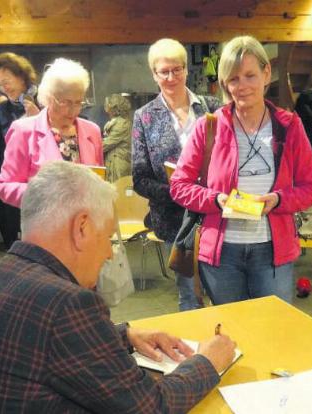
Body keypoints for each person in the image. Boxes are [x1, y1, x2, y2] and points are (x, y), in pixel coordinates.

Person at [0, 161, 236, 413]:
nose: (109, 254)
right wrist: (207, 362)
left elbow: (42, 341)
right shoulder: (67, 304)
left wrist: (125, 335)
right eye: (108, 237)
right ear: (83, 228)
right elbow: (150, 406)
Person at [170, 35, 312, 306]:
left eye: (250, 75)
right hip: (222, 253)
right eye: (233, 79)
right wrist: (214, 199)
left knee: (273, 332)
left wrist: (279, 200)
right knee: (231, 332)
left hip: (272, 251)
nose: (242, 86)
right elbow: (179, 185)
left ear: (266, 73)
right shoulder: (209, 127)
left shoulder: (289, 126)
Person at [132, 38, 221, 311]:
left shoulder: (212, 107)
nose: (171, 77)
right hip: (174, 218)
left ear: (186, 69)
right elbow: (140, 177)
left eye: (177, 69)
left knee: (222, 289)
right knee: (190, 293)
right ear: (154, 74)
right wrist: (178, 192)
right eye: (164, 71)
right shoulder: (144, 116)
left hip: (216, 213)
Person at [0, 58, 103, 208]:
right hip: (44, 225)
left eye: (78, 102)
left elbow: (99, 180)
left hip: (85, 226)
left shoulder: (92, 131)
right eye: (65, 102)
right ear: (48, 97)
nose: (73, 110)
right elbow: (5, 187)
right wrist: (44, 195)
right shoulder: (24, 131)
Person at [0, 52, 40, 247]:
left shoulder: (44, 100)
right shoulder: (2, 110)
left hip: (43, 178)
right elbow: (1, 149)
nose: (4, 88)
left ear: (22, 76)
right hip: (17, 182)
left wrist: (39, 117)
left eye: (7, 81)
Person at [103, 93, 133, 182]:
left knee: (121, 191)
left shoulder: (122, 124)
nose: (107, 110)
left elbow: (105, 145)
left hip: (119, 165)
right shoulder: (118, 122)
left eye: (109, 107)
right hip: (115, 162)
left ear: (114, 108)